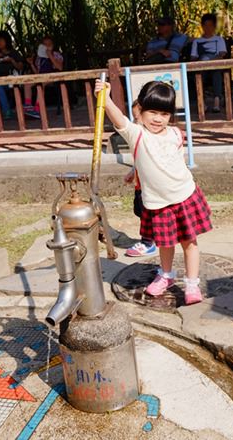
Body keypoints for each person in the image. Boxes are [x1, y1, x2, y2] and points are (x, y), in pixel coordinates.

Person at [94, 79, 212, 305]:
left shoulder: (176, 134)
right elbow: (119, 119)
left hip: (184, 195)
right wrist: (106, 98)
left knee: (190, 242)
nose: (158, 119)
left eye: (165, 114)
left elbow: (167, 160)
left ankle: (192, 284)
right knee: (165, 243)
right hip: (158, 203)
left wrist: (136, 168)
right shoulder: (137, 134)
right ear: (140, 110)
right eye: (153, 112)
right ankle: (166, 276)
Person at [124, 100, 157, 257]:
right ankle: (153, 237)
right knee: (140, 211)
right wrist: (133, 171)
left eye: (137, 118)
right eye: (134, 118)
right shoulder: (139, 137)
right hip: (140, 184)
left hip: (149, 186)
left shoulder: (152, 138)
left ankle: (147, 242)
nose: (135, 122)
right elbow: (139, 160)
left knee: (147, 214)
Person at [191, 13, 227, 113]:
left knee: (216, 74)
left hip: (215, 64)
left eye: (210, 25)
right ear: (202, 26)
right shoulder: (197, 41)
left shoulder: (219, 39)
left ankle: (216, 101)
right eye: (205, 25)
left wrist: (213, 61)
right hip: (202, 66)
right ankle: (202, 103)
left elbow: (222, 54)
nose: (208, 28)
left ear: (214, 26)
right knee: (198, 76)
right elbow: (193, 56)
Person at [24, 35, 64, 119]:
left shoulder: (56, 54)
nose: (47, 46)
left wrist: (50, 56)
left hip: (52, 77)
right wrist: (31, 64)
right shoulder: (39, 58)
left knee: (40, 84)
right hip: (41, 76)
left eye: (49, 44)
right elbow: (37, 73)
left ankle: (38, 109)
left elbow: (59, 67)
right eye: (45, 44)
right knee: (27, 83)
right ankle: (28, 106)